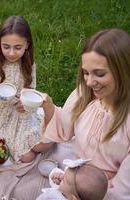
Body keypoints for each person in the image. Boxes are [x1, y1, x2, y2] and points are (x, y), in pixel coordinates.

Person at [41, 28, 130, 199]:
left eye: (100, 73)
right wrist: (48, 107)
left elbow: (121, 190)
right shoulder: (85, 93)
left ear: (123, 71)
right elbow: (62, 128)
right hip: (74, 173)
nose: (89, 82)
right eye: (86, 72)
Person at [0, 15, 53, 163]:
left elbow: (31, 93)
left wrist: (27, 106)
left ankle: (49, 132)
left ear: (27, 45)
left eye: (18, 47)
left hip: (20, 114)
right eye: (6, 47)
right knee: (27, 157)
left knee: (44, 145)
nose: (11, 53)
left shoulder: (29, 65)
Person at [37, 161, 108, 200]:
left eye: (64, 180)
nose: (61, 176)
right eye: (64, 173)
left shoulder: (56, 197)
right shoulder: (69, 193)